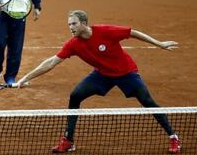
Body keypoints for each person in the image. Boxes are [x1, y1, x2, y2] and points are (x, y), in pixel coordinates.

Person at [16, 10, 181, 154]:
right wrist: (26, 78)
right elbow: (51, 62)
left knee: (147, 101)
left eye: (74, 24)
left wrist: (159, 44)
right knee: (75, 96)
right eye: (69, 24)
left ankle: (173, 137)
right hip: (102, 75)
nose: (70, 27)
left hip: (126, 72)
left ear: (84, 23)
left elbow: (133, 33)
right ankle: (68, 140)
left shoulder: (105, 31)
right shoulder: (73, 44)